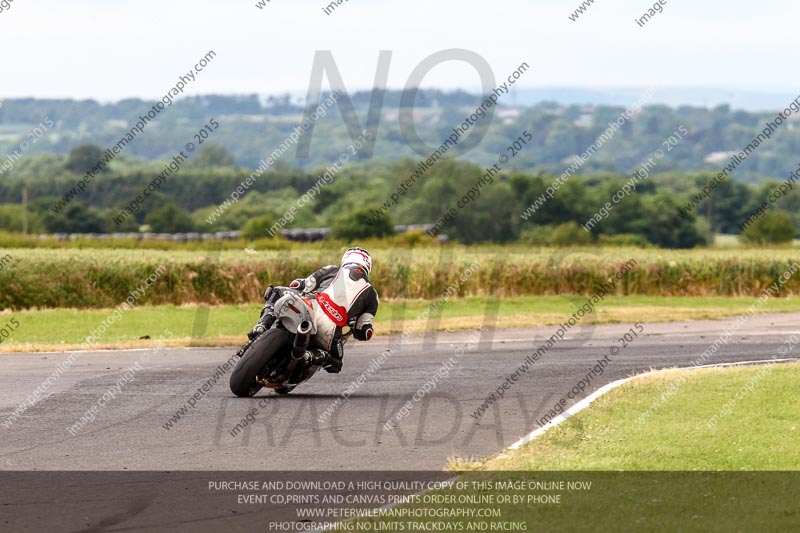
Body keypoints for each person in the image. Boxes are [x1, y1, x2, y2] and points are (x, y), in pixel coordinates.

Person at [247, 247, 379, 373]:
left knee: (274, 292)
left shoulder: (332, 269)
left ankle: (262, 325)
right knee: (336, 364)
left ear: (346, 259)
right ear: (368, 266)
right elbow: (364, 329)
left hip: (309, 306)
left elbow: (302, 284)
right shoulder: (372, 295)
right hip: (330, 330)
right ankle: (309, 356)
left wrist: (296, 287)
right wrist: (358, 330)